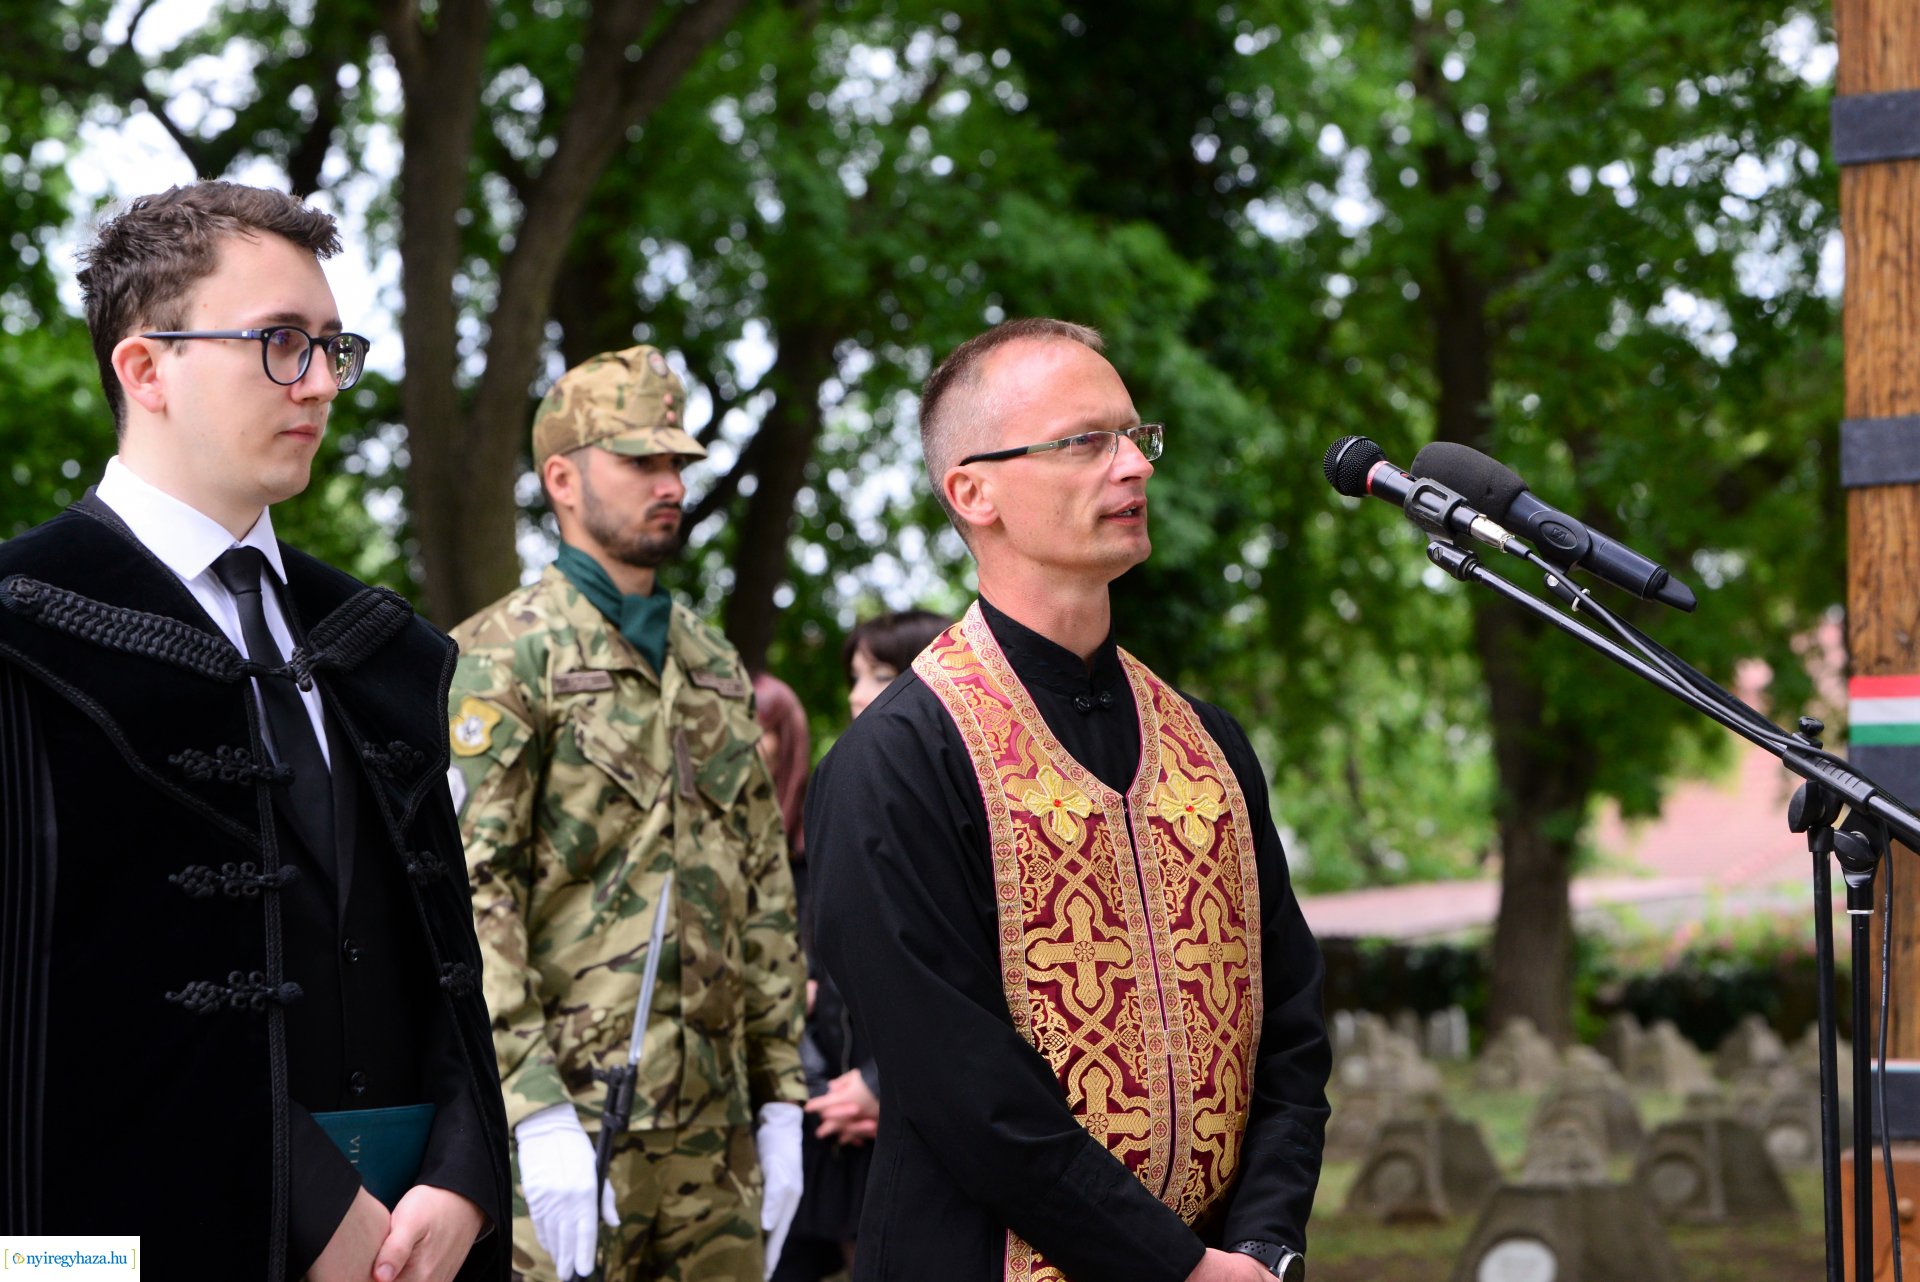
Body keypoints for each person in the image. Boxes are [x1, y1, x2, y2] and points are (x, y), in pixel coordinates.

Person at [0, 181, 511, 1281]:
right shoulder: (21, 634)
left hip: (416, 1245)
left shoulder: (382, 651)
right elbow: (53, 1013)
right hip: (119, 1245)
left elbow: (446, 963)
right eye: (280, 343)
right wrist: (310, 1202)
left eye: (333, 345)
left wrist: (467, 1171)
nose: (322, 382)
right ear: (147, 368)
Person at [807, 319, 1331, 1282]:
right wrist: (1176, 1268)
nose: (1133, 466)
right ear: (974, 490)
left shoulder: (1210, 746)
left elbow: (1291, 1023)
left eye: (1137, 437)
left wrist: (1260, 1244)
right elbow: (964, 1091)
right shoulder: (895, 763)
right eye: (1085, 442)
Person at [448, 345, 807, 1282]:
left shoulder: (717, 666)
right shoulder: (499, 657)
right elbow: (472, 900)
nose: (670, 484)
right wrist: (533, 1109)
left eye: (678, 464)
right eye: (640, 461)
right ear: (562, 479)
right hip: (569, 1131)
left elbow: (764, 888)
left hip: (717, 1136)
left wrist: (781, 1102)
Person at [771, 610, 949, 1282]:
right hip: (828, 1114)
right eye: (855, 676)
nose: (854, 695)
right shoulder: (847, 792)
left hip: (927, 1119)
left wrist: (884, 1087)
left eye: (880, 675)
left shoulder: (972, 808)